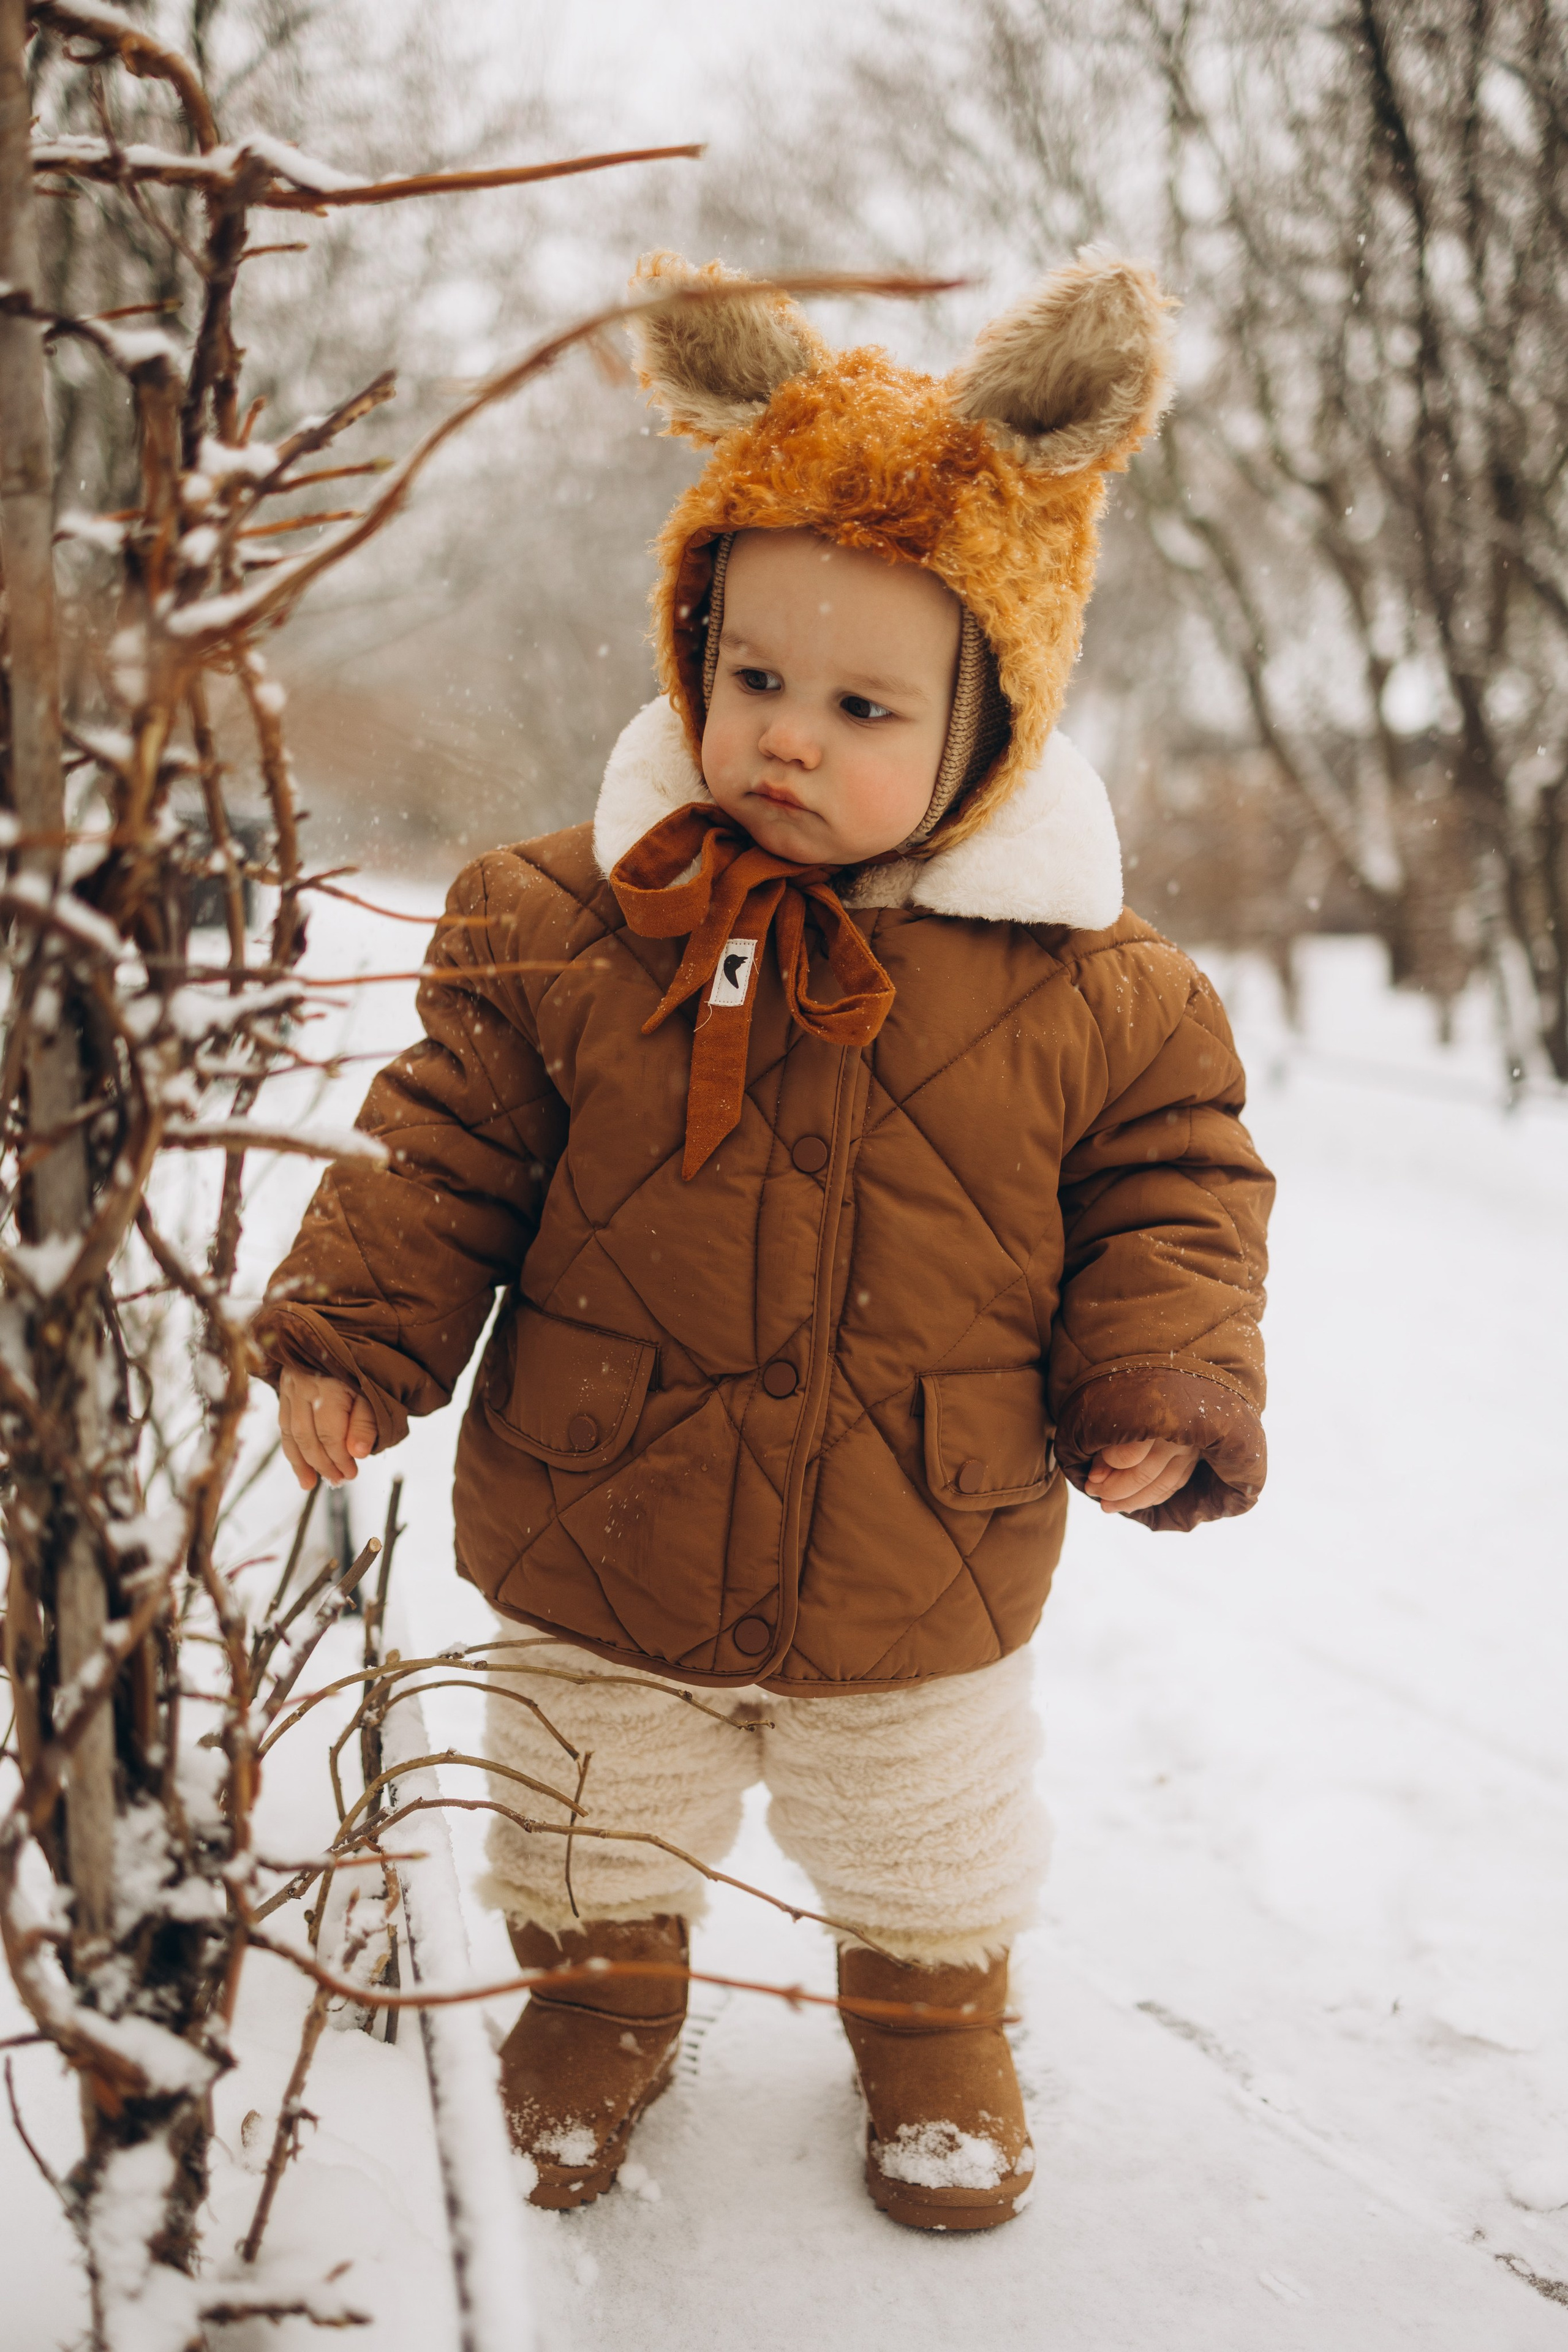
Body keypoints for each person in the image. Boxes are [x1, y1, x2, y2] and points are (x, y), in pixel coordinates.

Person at [258, 249, 1273, 2234]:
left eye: (864, 702)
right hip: (603, 1508)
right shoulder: (565, 921)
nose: (787, 736)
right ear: (692, 658)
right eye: (753, 680)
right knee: (582, 1797)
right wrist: (353, 1334)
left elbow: (1178, 1191)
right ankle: (600, 2001)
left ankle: (931, 2023)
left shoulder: (1101, 993)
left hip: (920, 1526)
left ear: (995, 715)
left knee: (925, 1826)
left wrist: (1158, 1381)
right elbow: (446, 1143)